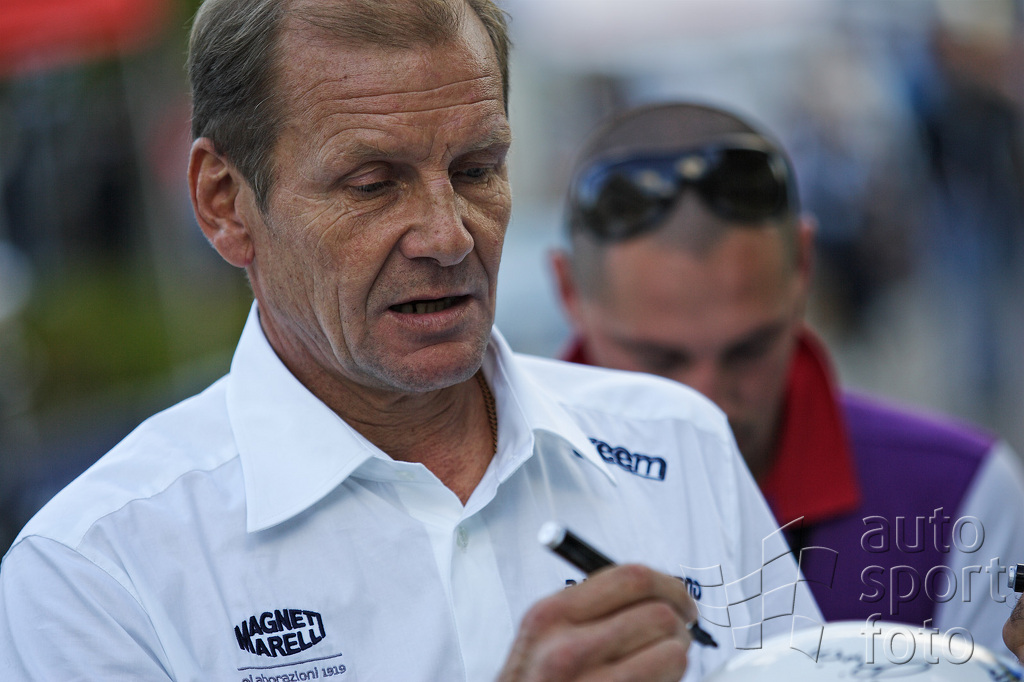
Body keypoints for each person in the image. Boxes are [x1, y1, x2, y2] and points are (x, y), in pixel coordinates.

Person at [0, 3, 821, 680]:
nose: (448, 235)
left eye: (476, 170)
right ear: (224, 203)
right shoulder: (98, 571)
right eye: (373, 184)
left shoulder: (677, 442)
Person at [551, 101, 1024, 654]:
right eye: (662, 360)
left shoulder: (958, 500)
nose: (708, 402)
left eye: (748, 350)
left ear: (803, 263)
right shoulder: (483, 490)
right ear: (568, 290)